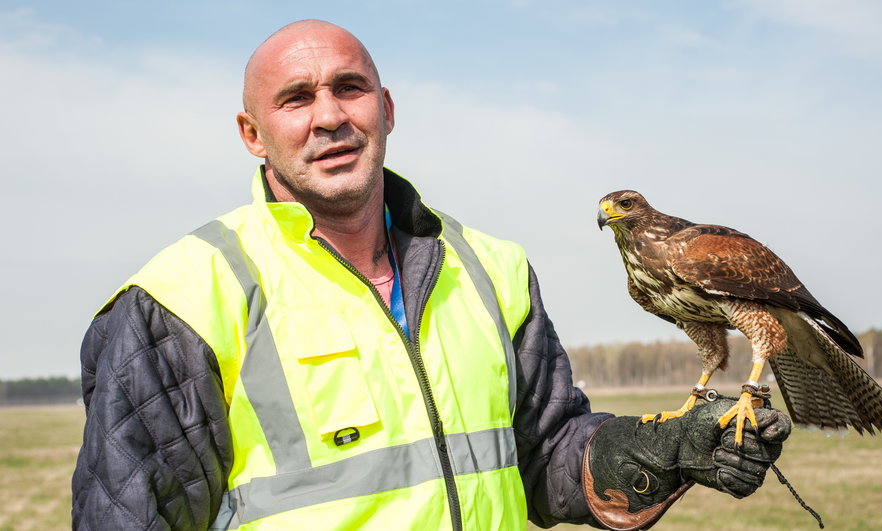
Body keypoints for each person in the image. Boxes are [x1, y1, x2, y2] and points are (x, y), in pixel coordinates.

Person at [72, 20, 791, 530]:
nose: (329, 117)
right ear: (252, 133)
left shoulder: (490, 268)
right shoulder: (182, 298)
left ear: (385, 110)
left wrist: (655, 451)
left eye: (350, 89)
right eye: (296, 99)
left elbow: (542, 455)